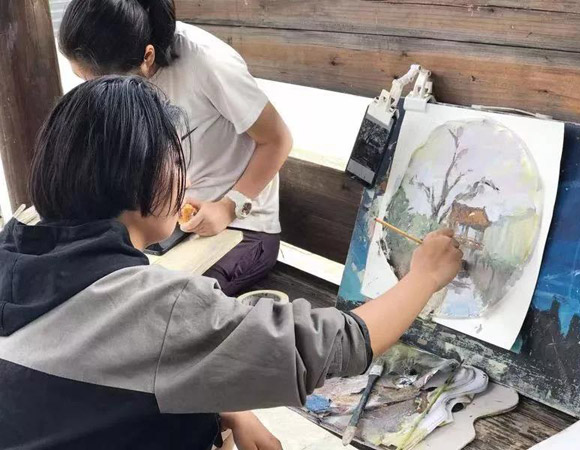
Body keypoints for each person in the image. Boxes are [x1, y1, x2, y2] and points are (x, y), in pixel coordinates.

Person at [0, 76, 462, 449]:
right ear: (142, 174)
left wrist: (224, 405)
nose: (185, 177)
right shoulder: (151, 306)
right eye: (177, 158)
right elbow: (330, 347)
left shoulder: (14, 252)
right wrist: (424, 276)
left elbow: (110, 374)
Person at [59, 0, 293, 296]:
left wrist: (230, 206)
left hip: (241, 227)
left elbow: (278, 139)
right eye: (83, 80)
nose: (95, 92)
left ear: (147, 57)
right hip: (169, 220)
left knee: (166, 302)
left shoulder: (207, 62)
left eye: (99, 80)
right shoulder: (121, 70)